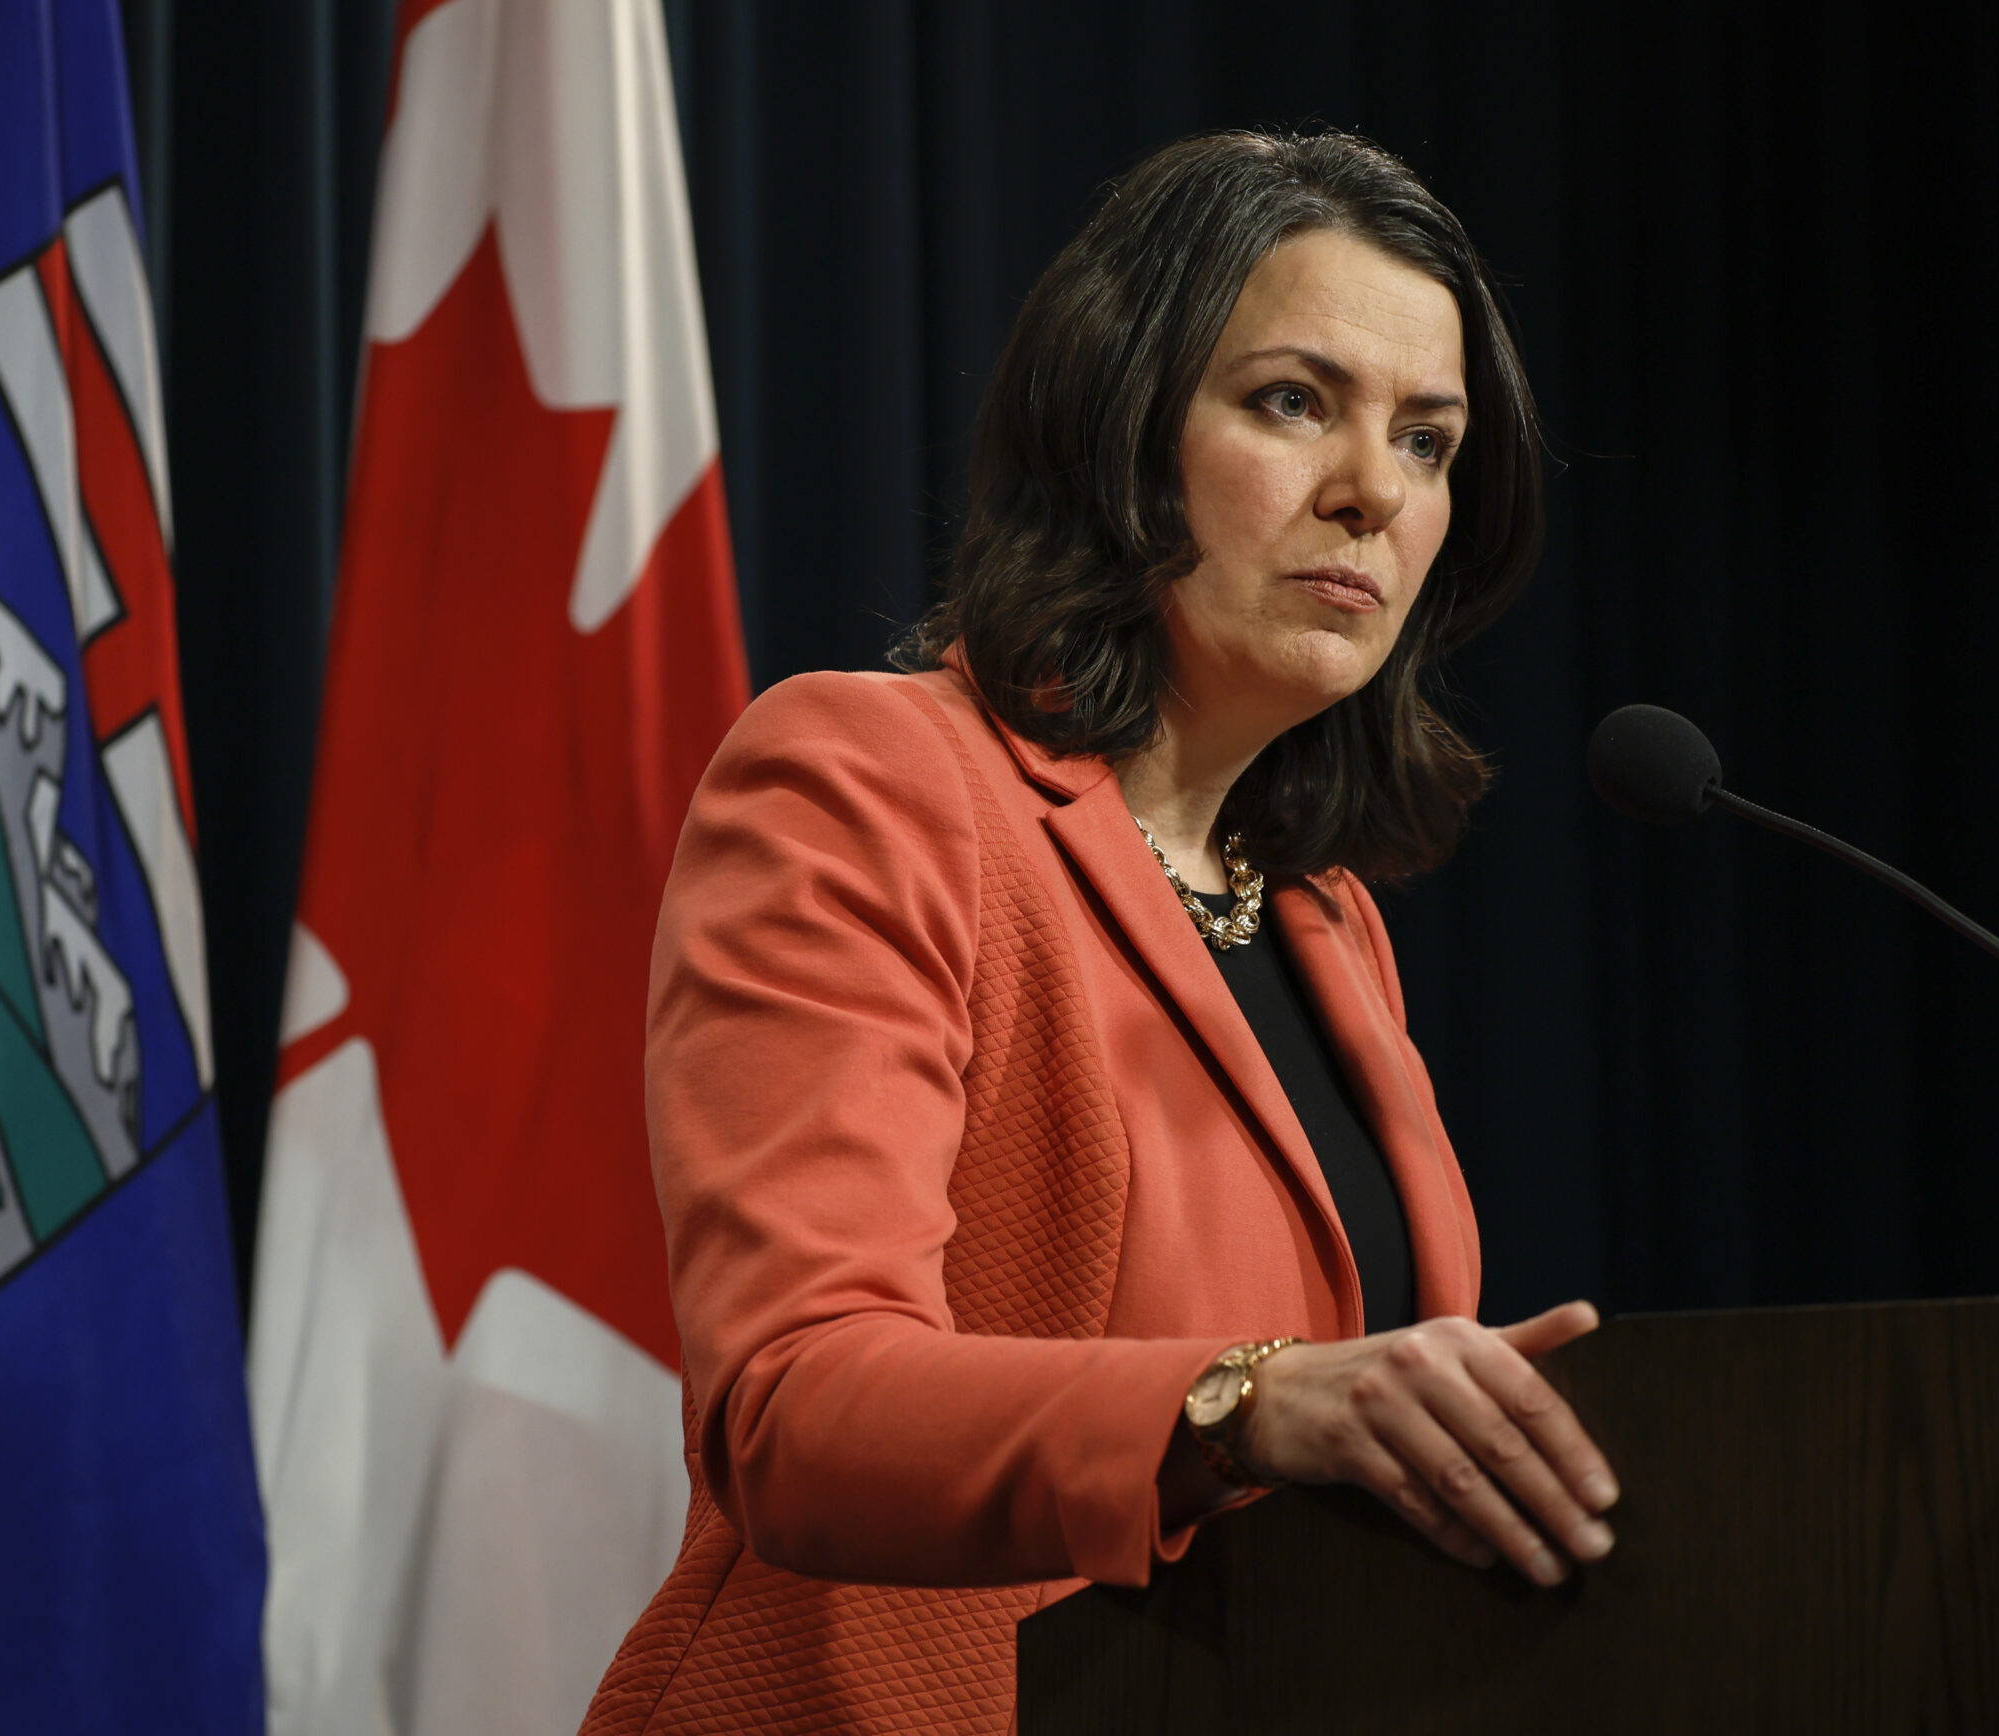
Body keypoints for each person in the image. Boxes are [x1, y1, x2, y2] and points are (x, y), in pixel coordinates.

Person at [581, 130, 1619, 1736]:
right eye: (1295, 402)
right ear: (1126, 432)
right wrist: (1245, 1401)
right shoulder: (865, 780)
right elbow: (800, 1402)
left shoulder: (1325, 917)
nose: (1371, 490)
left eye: (1428, 440)